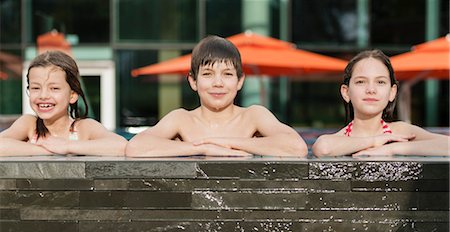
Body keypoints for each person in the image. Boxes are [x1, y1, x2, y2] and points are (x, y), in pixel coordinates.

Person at [126, 35, 307, 157]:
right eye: (208, 74)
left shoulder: (253, 116)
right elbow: (135, 147)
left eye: (227, 74)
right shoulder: (181, 119)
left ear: (240, 81)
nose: (218, 83)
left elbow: (296, 147)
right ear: (193, 81)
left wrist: (226, 143)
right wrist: (203, 148)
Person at [312, 49, 449, 157]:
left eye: (380, 82)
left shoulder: (401, 133)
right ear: (346, 92)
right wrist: (374, 141)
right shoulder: (339, 139)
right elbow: (322, 148)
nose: (371, 90)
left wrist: (392, 148)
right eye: (361, 82)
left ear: (392, 92)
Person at [0, 50, 127, 156]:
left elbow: (121, 146)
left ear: (72, 95)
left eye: (54, 88)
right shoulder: (29, 124)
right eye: (36, 88)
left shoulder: (83, 127)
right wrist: (48, 150)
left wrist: (67, 146)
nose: (43, 96)